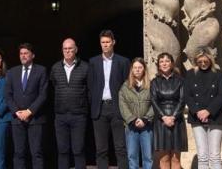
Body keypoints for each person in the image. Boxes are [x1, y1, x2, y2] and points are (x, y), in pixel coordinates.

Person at [91, 30, 131, 169]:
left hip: (117, 108)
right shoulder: (93, 62)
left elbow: (127, 86)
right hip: (100, 108)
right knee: (101, 149)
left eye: (108, 42)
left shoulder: (123, 61)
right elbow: (91, 86)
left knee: (120, 147)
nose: (105, 45)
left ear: (113, 42)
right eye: (103, 42)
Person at [5, 42, 48, 169]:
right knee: (18, 153)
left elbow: (43, 95)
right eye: (21, 53)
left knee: (37, 153)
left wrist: (30, 111)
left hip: (35, 119)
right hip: (17, 119)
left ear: (32, 55)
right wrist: (16, 112)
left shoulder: (41, 70)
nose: (23, 56)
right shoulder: (12, 72)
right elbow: (8, 95)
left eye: (26, 53)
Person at [49, 38, 91, 169]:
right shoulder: (55, 68)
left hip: (78, 116)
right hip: (61, 116)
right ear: (62, 50)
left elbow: (89, 90)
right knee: (62, 150)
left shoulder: (85, 67)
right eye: (65, 49)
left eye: (70, 48)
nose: (67, 51)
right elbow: (52, 88)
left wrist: (83, 106)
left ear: (76, 50)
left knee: (78, 150)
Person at [185, 48, 222, 169]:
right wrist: (197, 111)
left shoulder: (218, 74)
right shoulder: (190, 74)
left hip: (216, 116)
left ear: (210, 59)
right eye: (200, 61)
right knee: (202, 156)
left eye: (205, 61)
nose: (203, 63)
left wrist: (208, 111)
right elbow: (187, 95)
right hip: (196, 117)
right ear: (195, 61)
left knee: (215, 156)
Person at [150, 52, 187, 169]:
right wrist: (164, 117)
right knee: (164, 158)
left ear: (172, 64)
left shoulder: (180, 80)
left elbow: (182, 100)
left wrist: (173, 116)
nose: (164, 64)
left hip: (177, 121)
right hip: (161, 122)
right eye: (161, 61)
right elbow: (154, 101)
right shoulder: (154, 82)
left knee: (176, 159)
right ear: (158, 65)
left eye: (167, 61)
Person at [118, 57, 153, 169]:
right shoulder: (125, 86)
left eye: (140, 67)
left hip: (147, 126)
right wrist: (132, 119)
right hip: (131, 126)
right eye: (135, 68)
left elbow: (155, 104)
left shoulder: (151, 86)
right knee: (132, 156)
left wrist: (145, 119)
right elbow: (122, 104)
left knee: (148, 156)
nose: (137, 70)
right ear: (131, 70)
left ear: (144, 69)